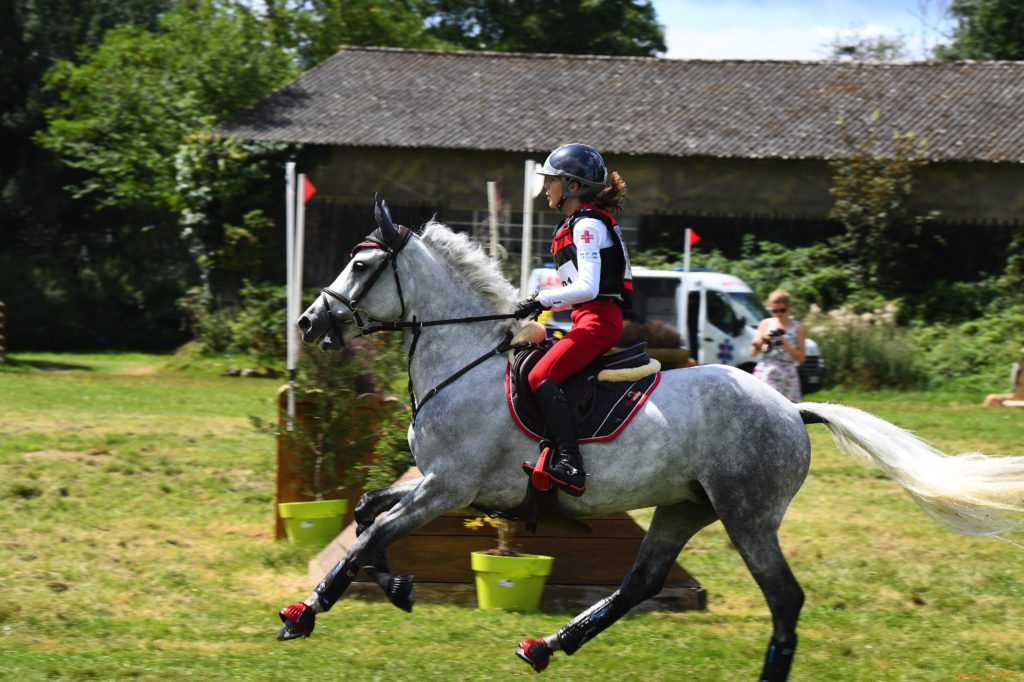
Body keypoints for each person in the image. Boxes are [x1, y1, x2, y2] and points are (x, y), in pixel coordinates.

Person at [514, 143, 633, 496]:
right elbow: (575, 290)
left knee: (541, 374)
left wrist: (541, 298)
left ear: (573, 186)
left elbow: (587, 286)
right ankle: (549, 451)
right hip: (585, 319)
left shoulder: (586, 226)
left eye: (552, 181)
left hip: (599, 322)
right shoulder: (572, 224)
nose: (546, 188)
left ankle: (571, 464)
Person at [751, 289, 806, 403]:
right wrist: (763, 338)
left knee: (791, 413)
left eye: (782, 310)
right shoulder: (765, 324)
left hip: (788, 375)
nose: (779, 314)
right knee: (766, 406)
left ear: (789, 307)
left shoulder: (798, 327)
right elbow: (753, 352)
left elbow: (801, 358)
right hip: (766, 371)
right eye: (774, 310)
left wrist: (785, 342)